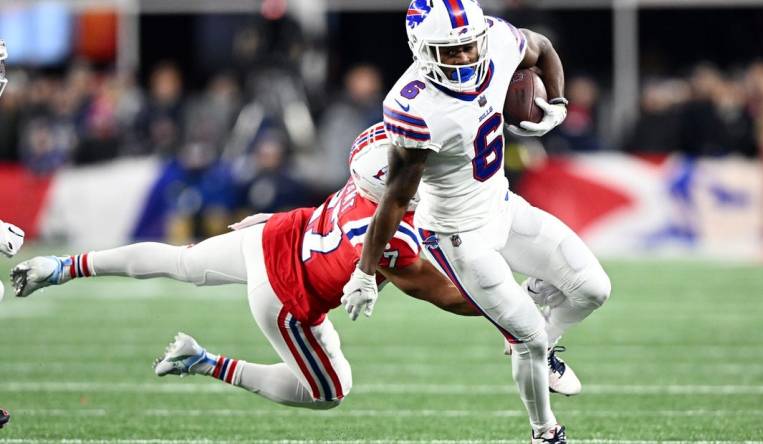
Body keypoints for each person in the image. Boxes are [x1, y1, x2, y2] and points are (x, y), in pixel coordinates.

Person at [11, 123, 475, 409]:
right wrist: (513, 312)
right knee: (330, 391)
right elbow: (443, 294)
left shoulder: (371, 183)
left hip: (277, 235)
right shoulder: (388, 234)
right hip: (287, 296)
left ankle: (60, 267)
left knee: (180, 262)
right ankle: (204, 361)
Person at [341, 2, 611, 442]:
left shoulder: (498, 40)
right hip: (456, 235)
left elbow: (541, 48)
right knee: (530, 340)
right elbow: (396, 197)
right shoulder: (414, 107)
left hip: (501, 204)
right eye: (452, 51)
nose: (466, 57)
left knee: (594, 290)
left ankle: (530, 333)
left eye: (470, 46)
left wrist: (557, 103)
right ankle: (545, 431)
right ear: (421, 49)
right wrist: (365, 271)